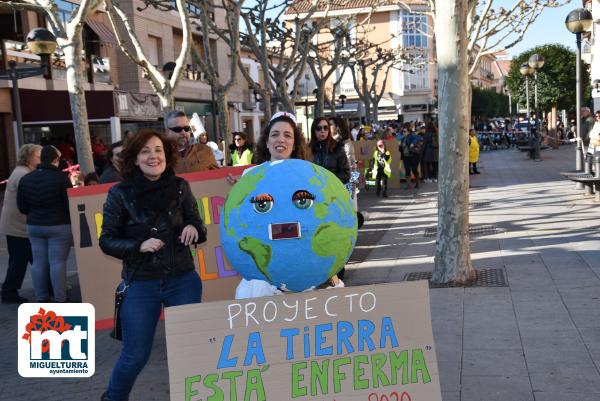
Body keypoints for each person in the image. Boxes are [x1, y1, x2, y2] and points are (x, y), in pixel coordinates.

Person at [99, 130, 206, 401]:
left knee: (189, 350)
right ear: (134, 159)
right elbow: (107, 240)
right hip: (140, 282)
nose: (153, 156)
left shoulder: (180, 186)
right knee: (135, 355)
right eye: (145, 151)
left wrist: (193, 228)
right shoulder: (119, 194)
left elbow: (198, 224)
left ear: (166, 156)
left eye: (158, 150)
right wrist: (138, 246)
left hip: (182, 280)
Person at [237, 112, 342, 298]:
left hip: (303, 260)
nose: (281, 139)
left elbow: (320, 219)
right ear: (267, 141)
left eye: (288, 135)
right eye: (275, 134)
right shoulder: (250, 177)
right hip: (266, 265)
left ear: (295, 143)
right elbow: (242, 222)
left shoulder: (309, 177)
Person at [17, 145, 73, 302]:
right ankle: (60, 298)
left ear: (41, 159)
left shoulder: (26, 178)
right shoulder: (61, 178)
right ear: (56, 160)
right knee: (57, 262)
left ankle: (41, 297)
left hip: (34, 225)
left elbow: (22, 207)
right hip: (59, 225)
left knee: (38, 262)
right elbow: (68, 204)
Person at [0, 144, 41, 303]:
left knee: (25, 259)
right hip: (19, 227)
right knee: (20, 260)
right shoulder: (23, 175)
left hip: (16, 225)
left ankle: (10, 290)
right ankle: (9, 292)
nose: (40, 159)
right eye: (38, 156)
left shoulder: (22, 172)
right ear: (28, 157)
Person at [309, 117, 350, 184]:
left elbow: (346, 174)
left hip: (333, 190)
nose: (323, 130)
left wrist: (328, 180)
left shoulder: (337, 147)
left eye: (325, 128)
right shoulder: (308, 149)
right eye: (319, 128)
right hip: (314, 190)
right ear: (314, 130)